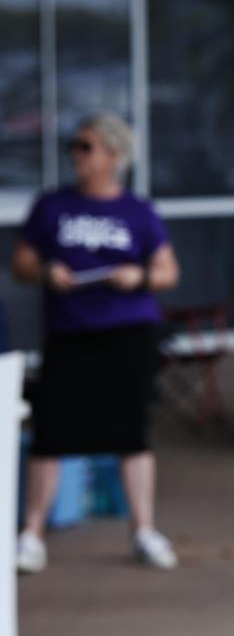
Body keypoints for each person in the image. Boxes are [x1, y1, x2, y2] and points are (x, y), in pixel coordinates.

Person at [12, 113, 181, 573]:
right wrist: (48, 272)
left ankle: (143, 530)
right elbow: (22, 263)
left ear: (112, 155)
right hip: (69, 332)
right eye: (75, 146)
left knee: (131, 432)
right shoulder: (53, 206)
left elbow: (167, 272)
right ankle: (31, 534)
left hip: (128, 332)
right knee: (51, 431)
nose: (77, 154)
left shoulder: (138, 212)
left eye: (86, 146)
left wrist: (138, 276)